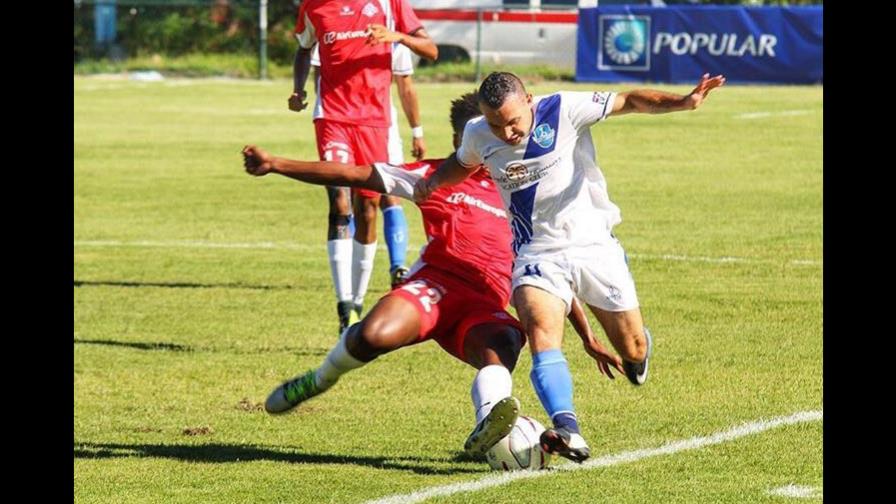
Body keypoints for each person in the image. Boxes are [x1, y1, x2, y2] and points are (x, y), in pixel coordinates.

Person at [243, 93, 624, 456]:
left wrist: (587, 335)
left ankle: (488, 426)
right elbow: (354, 174)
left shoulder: (525, 187)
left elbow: (547, 271)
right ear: (463, 140)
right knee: (373, 336)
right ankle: (321, 378)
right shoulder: (433, 177)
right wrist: (277, 164)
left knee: (506, 341)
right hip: (435, 288)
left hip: (483, 307)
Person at [414, 72, 726, 462]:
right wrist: (434, 182)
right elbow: (461, 164)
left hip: (594, 246)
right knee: (542, 331)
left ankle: (637, 353)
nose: (507, 132)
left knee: (632, 347)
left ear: (528, 99)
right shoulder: (479, 133)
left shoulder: (563, 108)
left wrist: (684, 101)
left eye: (513, 121)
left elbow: (629, 100)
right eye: (497, 124)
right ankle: (569, 429)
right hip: (536, 253)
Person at [290, 0, 437, 333]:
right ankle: (344, 306)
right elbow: (303, 49)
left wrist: (395, 35)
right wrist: (298, 90)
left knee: (369, 206)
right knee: (340, 202)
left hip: (375, 122)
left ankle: (357, 302)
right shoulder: (314, 6)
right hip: (332, 118)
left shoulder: (390, 4)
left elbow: (431, 50)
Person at [309, 41, 426, 304]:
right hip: (341, 126)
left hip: (384, 129)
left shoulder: (392, 40)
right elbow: (319, 81)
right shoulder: (333, 32)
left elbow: (406, 87)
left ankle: (398, 266)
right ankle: (350, 284)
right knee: (346, 199)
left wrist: (417, 131)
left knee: (387, 195)